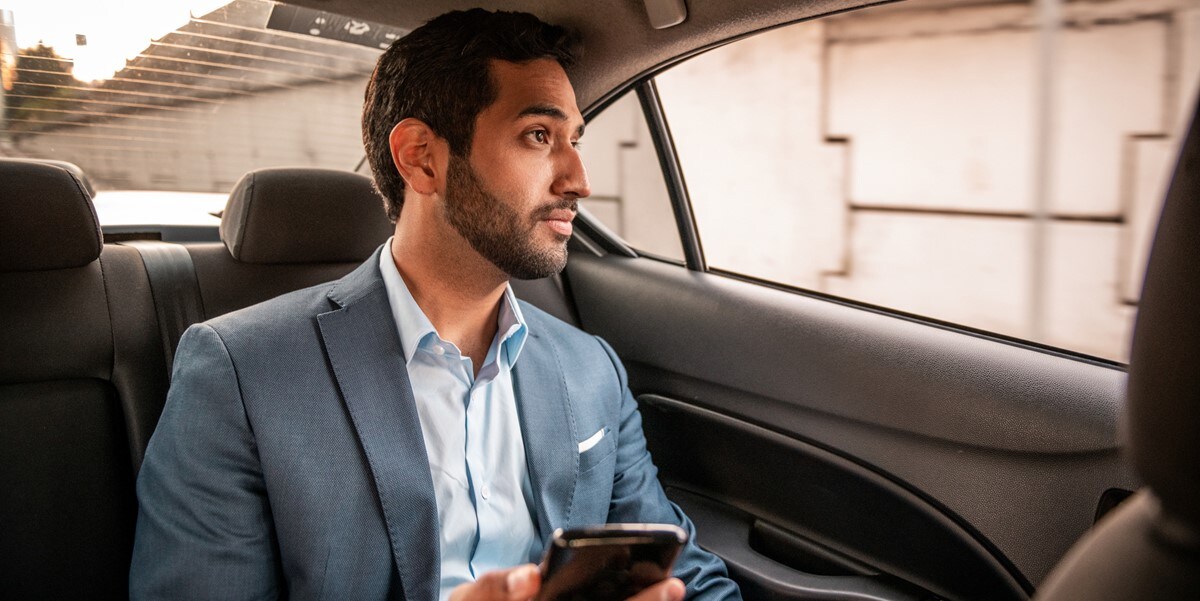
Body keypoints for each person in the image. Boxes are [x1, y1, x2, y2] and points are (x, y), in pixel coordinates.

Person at [129, 9, 740, 601]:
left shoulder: (590, 369)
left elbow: (687, 577)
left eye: (574, 140)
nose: (579, 179)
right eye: (538, 136)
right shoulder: (241, 372)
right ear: (421, 156)